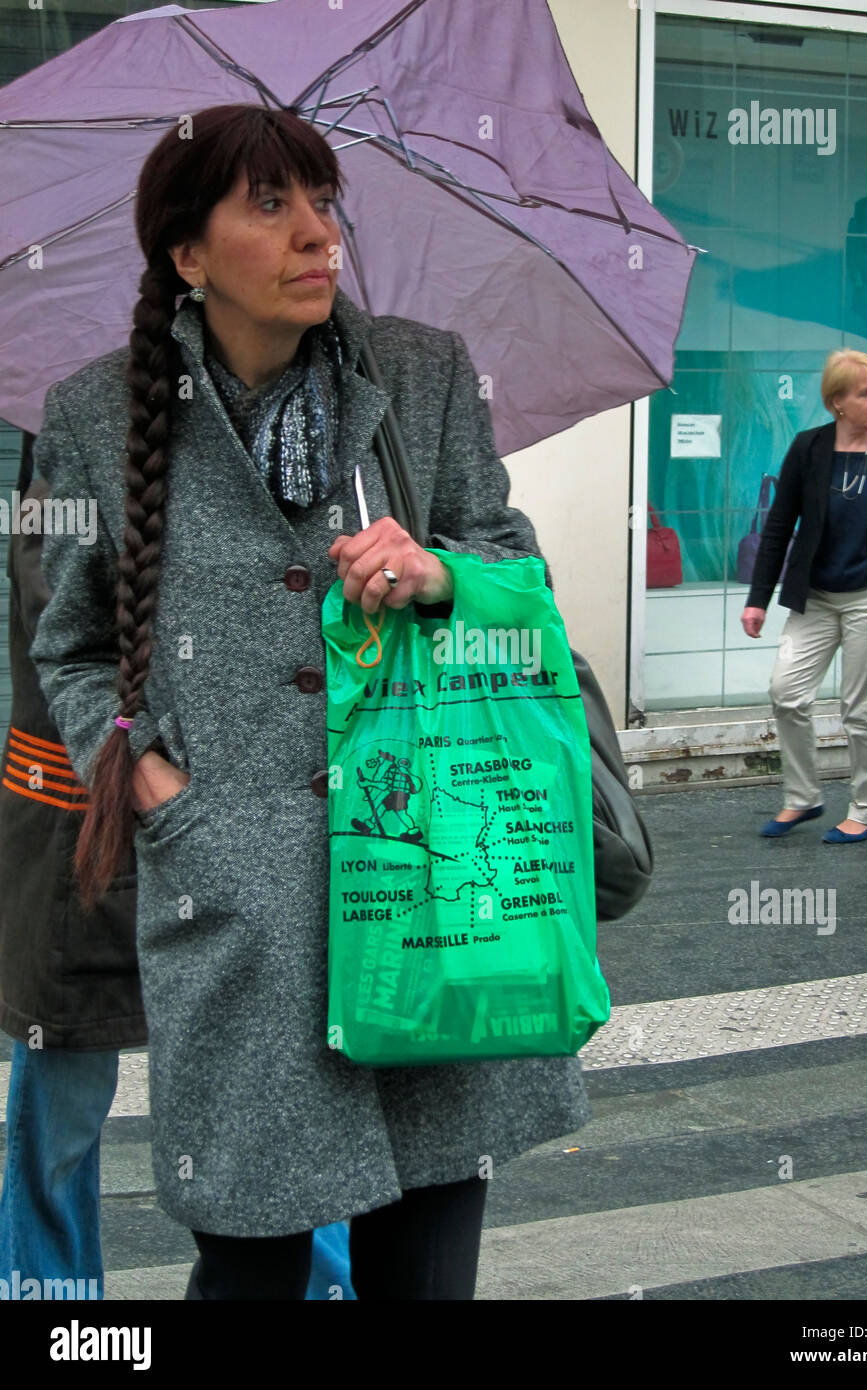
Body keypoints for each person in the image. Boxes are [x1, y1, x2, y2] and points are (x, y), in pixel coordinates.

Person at [28, 103, 590, 1300]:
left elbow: (520, 582)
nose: (316, 235)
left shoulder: (424, 375)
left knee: (428, 1264)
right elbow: (71, 651)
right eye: (272, 205)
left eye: (324, 202)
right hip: (241, 904)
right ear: (188, 254)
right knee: (247, 1265)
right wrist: (164, 796)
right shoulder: (91, 416)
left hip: (429, 885)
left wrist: (441, 578)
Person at [0, 437, 356, 1301]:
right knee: (65, 1090)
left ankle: (320, 1286)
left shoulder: (285, 461)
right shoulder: (66, 476)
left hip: (246, 834)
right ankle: (51, 1300)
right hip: (80, 839)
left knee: (289, 1077)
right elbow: (77, 640)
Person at [741, 350, 867, 843]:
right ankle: (803, 797)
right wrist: (758, 597)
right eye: (865, 393)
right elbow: (779, 525)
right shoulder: (810, 449)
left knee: (859, 710)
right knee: (786, 693)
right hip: (817, 597)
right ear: (837, 403)